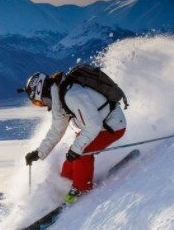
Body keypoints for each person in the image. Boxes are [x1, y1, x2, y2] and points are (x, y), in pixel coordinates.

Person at [22, 70, 127, 203]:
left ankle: (81, 190)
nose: (43, 105)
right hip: (93, 128)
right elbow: (56, 130)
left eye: (39, 102)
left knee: (81, 152)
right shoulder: (58, 99)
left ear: (42, 91)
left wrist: (76, 149)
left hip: (111, 126)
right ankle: (66, 188)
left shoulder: (71, 95)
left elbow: (93, 125)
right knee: (69, 167)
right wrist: (39, 153)